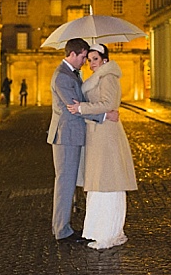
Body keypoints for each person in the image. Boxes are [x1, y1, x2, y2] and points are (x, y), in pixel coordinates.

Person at [47, 38, 119, 243]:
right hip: (66, 136)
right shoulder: (62, 76)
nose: (84, 61)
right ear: (73, 54)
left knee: (70, 182)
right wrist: (105, 116)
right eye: (83, 57)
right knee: (65, 183)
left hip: (73, 135)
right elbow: (74, 107)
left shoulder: (72, 74)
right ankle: (62, 231)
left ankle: (63, 227)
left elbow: (83, 103)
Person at [68, 43, 137, 250]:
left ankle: (107, 232)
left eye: (95, 59)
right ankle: (97, 230)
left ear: (105, 60)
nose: (91, 64)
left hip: (107, 136)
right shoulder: (96, 79)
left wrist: (82, 107)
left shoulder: (108, 77)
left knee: (107, 182)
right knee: (99, 183)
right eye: (89, 60)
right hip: (97, 135)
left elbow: (108, 104)